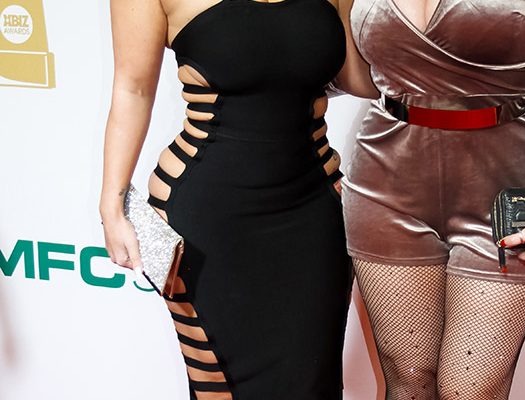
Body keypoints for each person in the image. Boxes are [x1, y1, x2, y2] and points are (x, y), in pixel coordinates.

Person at [99, 0, 355, 398]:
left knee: (312, 384)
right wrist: (112, 207)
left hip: (313, 213)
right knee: (222, 387)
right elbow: (133, 89)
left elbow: (359, 77)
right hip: (208, 222)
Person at [336, 0, 525, 398]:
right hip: (384, 186)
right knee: (408, 381)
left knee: (469, 390)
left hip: (503, 193)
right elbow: (329, 68)